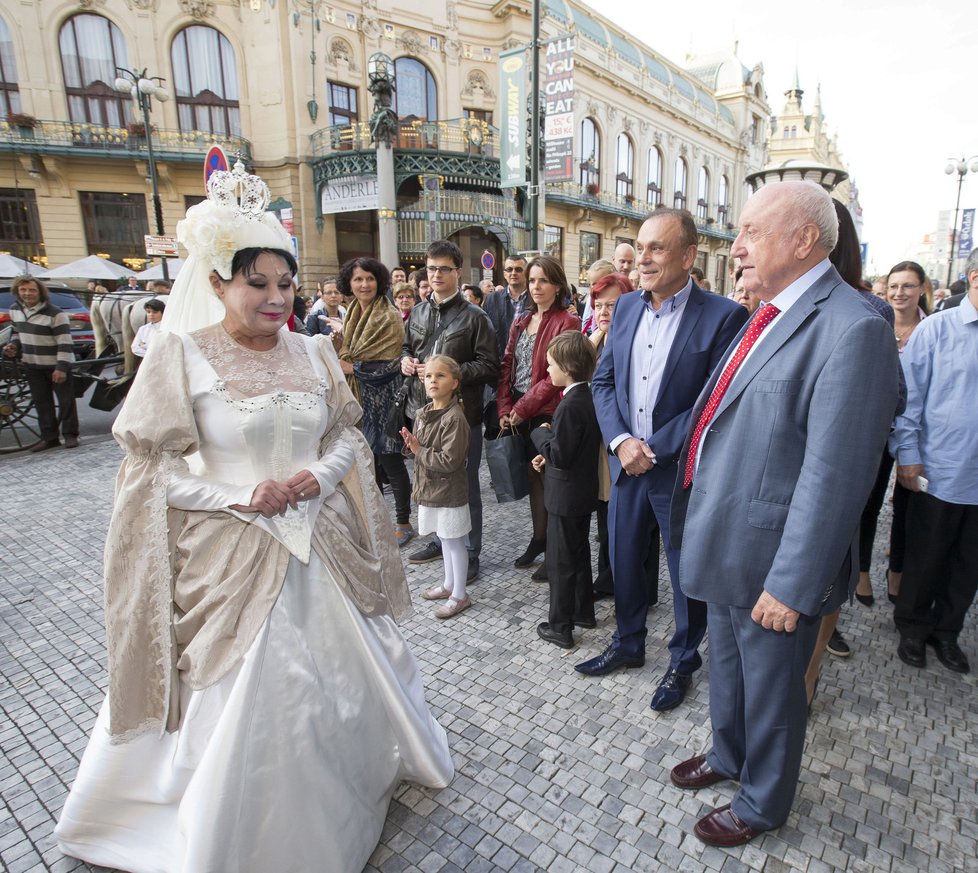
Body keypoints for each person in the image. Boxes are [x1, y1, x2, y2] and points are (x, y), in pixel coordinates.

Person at [54, 163, 452, 873]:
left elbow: (343, 440)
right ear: (217, 284)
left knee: (343, 674)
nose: (275, 297)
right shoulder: (181, 356)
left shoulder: (316, 349)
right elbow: (153, 473)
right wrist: (238, 496)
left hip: (318, 540)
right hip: (230, 552)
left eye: (285, 283)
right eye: (257, 282)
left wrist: (314, 476)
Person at [668, 180, 899, 847]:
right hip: (729, 536)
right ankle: (728, 753)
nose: (735, 248)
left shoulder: (853, 327)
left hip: (776, 560)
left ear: (803, 239)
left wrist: (793, 585)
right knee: (731, 667)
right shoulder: (769, 309)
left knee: (773, 689)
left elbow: (836, 474)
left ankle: (763, 801)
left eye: (750, 233)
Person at [580, 209, 748, 716]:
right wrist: (621, 443)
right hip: (627, 463)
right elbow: (604, 381)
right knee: (623, 559)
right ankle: (628, 643)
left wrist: (651, 449)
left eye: (657, 248)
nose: (644, 259)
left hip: (681, 471)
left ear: (688, 256)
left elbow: (712, 400)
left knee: (683, 571)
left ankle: (683, 659)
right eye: (641, 246)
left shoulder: (723, 316)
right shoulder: (627, 307)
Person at [889, 246, 978, 674]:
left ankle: (947, 633)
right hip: (941, 469)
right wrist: (908, 455)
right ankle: (912, 628)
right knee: (927, 554)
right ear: (974, 277)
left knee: (968, 564)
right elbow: (910, 400)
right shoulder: (937, 331)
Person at [402, 240, 499, 581]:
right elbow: (406, 345)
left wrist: (448, 371)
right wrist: (405, 360)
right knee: (428, 475)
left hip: (461, 413)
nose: (437, 275)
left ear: (458, 272)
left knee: (464, 483)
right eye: (431, 269)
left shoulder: (476, 317)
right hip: (422, 410)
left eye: (444, 268)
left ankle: (470, 550)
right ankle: (441, 540)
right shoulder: (418, 311)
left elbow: (490, 366)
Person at [497, 254, 582, 579]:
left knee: (551, 483)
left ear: (557, 284)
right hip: (518, 410)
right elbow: (507, 365)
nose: (536, 286)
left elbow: (554, 377)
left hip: (547, 412)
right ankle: (539, 539)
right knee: (534, 480)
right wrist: (505, 408)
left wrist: (522, 409)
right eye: (532, 280)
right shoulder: (521, 320)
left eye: (543, 280)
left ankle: (555, 554)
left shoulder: (567, 322)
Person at [585, 273, 657, 605]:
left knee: (641, 525)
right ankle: (610, 578)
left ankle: (640, 589)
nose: (603, 311)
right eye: (598, 304)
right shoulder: (594, 340)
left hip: (629, 442)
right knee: (608, 515)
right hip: (602, 444)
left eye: (611, 304)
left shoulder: (639, 338)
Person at [337, 257, 415, 547]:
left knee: (391, 463)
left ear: (378, 281)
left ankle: (404, 522)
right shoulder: (353, 312)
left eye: (369, 278)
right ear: (350, 283)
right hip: (359, 399)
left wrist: (352, 367)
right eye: (358, 279)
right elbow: (351, 351)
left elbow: (393, 363)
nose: (364, 284)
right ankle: (377, 520)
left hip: (384, 399)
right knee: (368, 466)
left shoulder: (389, 315)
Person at [530, 331, 601, 649]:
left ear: (568, 366)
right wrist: (551, 442)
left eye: (550, 365)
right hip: (581, 492)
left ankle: (561, 626)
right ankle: (583, 611)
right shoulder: (586, 396)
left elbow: (560, 454)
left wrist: (540, 435)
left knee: (560, 561)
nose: (548, 371)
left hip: (565, 496)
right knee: (580, 553)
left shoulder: (571, 404)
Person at [402, 355, 472, 619]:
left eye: (440, 376)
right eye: (429, 375)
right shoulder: (423, 413)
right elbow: (420, 451)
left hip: (449, 490)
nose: (433, 380)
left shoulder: (454, 418)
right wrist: (412, 446)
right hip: (432, 489)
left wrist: (419, 450)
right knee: (443, 539)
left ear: (454, 383)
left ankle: (460, 594)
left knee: (454, 542)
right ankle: (448, 584)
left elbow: (450, 461)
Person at [881, 260, 930, 604]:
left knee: (907, 507)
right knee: (869, 505)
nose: (900, 292)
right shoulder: (877, 325)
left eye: (908, 285)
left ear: (923, 289)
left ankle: (898, 572)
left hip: (915, 433)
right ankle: (865, 576)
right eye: (894, 285)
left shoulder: (932, 330)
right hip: (878, 428)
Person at [2, 275, 80, 451]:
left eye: (31, 290)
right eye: (23, 290)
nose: (27, 294)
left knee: (66, 401)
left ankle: (70, 435)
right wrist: (14, 345)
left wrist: (61, 367)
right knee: (42, 403)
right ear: (17, 291)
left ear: (40, 292)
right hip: (32, 364)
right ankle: (50, 438)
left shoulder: (55, 313)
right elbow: (16, 333)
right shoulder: (15, 309)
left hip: (56, 364)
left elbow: (65, 342)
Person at [483, 254, 528, 360]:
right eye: (509, 269)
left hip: (527, 364)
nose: (513, 273)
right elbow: (484, 333)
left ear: (526, 272)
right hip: (499, 363)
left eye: (518, 269)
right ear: (504, 274)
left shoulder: (537, 299)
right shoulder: (492, 299)